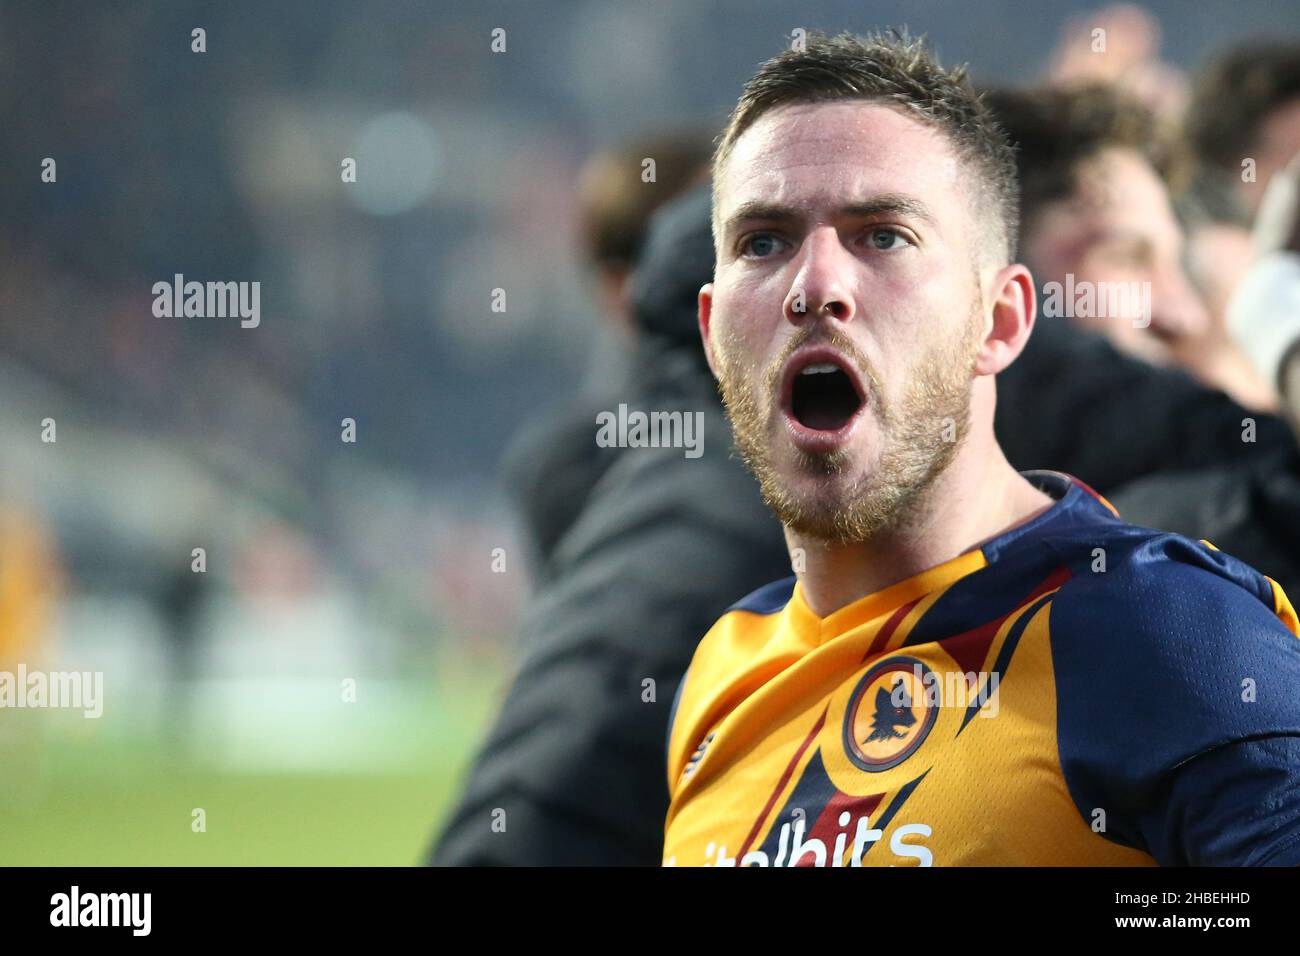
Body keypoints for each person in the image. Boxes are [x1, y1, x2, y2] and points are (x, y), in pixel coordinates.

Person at [662, 30, 1300, 866]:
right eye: (764, 242)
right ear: (713, 335)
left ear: (998, 322)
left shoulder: (1166, 631)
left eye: (882, 235)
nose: (815, 286)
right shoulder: (719, 672)